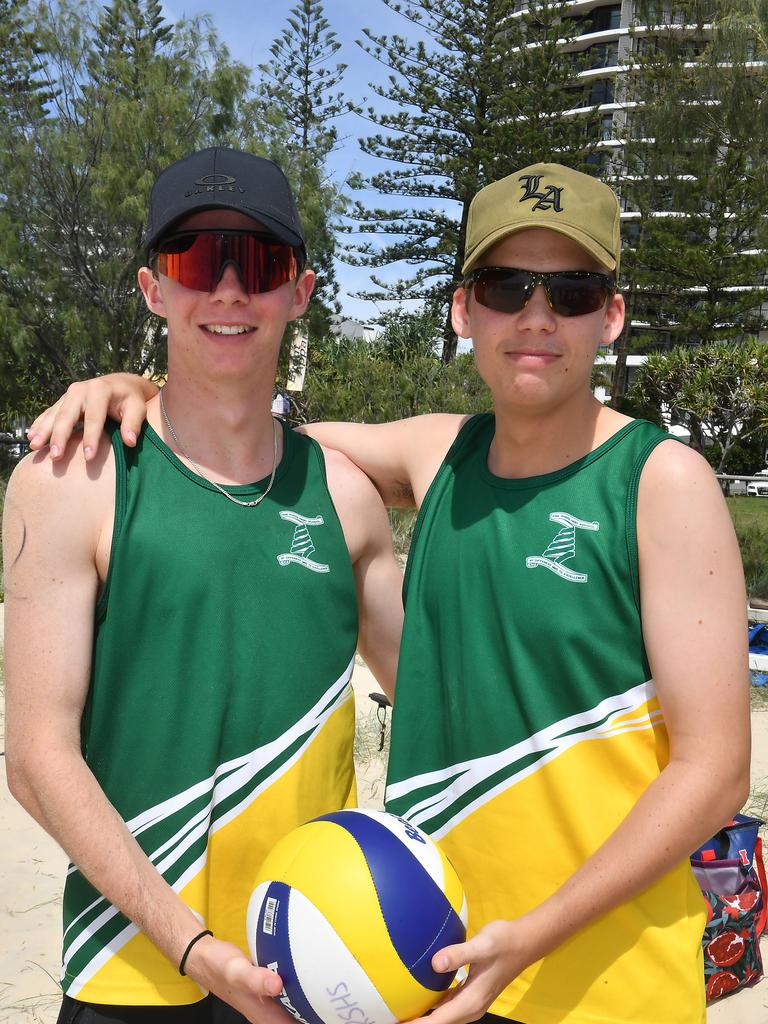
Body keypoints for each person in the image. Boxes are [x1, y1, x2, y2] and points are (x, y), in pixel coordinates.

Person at [25, 163, 750, 1024]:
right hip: (414, 966)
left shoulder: (662, 480)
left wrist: (536, 931)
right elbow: (247, 435)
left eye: (574, 290)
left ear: (613, 314)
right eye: (508, 285)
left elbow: (718, 771)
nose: (537, 316)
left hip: (602, 980)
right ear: (463, 308)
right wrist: (139, 390)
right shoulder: (434, 457)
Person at [3, 147, 403, 1024]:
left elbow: (439, 709)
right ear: (154, 288)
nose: (227, 290)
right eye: (194, 260)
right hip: (130, 968)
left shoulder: (346, 497)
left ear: (300, 292)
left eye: (258, 262)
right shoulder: (72, 480)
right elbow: (36, 761)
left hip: (311, 958)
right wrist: (192, 946)